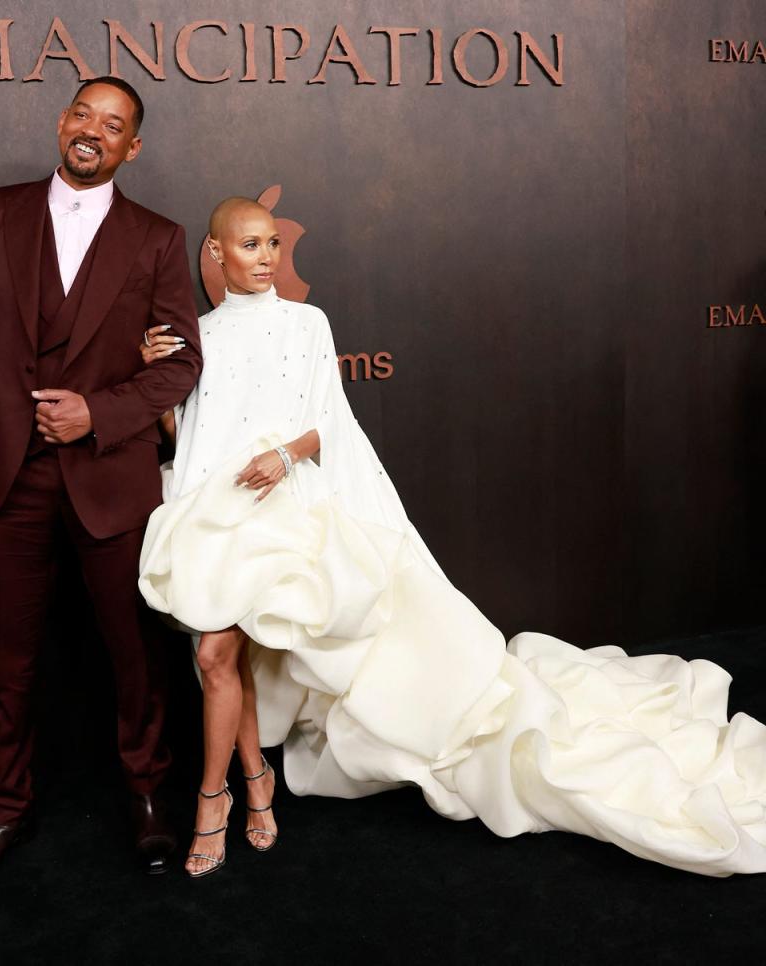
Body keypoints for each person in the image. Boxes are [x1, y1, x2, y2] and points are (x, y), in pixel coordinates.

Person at [137, 197, 766, 878]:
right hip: (221, 508)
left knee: (232, 654)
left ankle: (219, 800)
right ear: (216, 253)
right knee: (217, 654)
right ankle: (244, 784)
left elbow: (328, 424)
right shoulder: (198, 334)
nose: (265, 259)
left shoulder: (307, 322)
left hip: (290, 508)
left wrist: (287, 456)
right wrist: (159, 385)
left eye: (271, 246)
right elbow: (191, 437)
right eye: (250, 246)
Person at [0, 77, 202, 888]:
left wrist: (99, 414)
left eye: (113, 125)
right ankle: (4, 811)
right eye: (84, 115)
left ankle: (148, 801)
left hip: (112, 476)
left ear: (131, 148)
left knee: (136, 656)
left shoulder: (156, 237)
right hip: (2, 473)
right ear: (61, 123)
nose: (93, 132)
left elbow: (182, 360)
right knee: (7, 659)